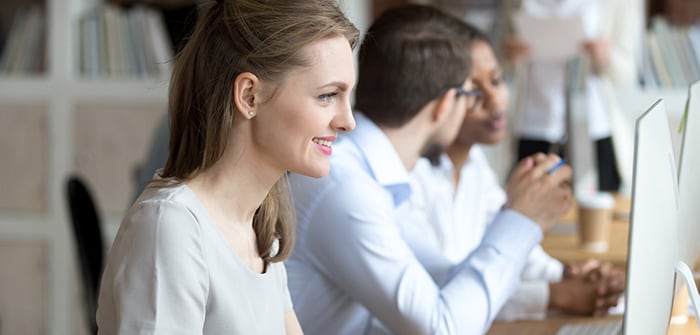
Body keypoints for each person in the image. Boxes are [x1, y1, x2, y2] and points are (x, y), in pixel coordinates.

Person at [285, 4, 573, 334]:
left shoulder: (376, 174)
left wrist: (516, 216)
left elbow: (440, 279)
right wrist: (522, 221)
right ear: (445, 104)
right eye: (470, 94)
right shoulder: (345, 186)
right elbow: (442, 328)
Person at [95, 0, 359, 333]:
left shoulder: (260, 228)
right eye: (327, 95)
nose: (347, 121)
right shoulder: (171, 228)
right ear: (249, 96)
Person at [395, 22, 624, 322]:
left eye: (497, 80)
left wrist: (573, 275)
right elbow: (451, 293)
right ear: (441, 100)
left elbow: (517, 252)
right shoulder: (408, 178)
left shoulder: (475, 166)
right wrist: (559, 294)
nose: (496, 100)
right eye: (474, 90)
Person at [501, 0, 643, 193]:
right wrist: (509, 55)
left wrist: (606, 56)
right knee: (529, 206)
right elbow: (498, 62)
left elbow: (627, 72)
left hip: (593, 124)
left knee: (595, 208)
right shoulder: (515, 3)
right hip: (533, 123)